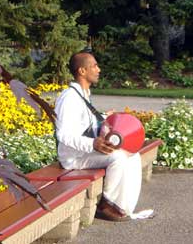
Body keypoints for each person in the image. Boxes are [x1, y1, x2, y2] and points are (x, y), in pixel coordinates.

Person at [54, 51, 150, 221]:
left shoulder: (82, 95)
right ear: (82, 71)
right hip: (74, 158)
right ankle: (107, 205)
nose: (99, 70)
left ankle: (123, 206)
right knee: (119, 157)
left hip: (85, 153)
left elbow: (87, 124)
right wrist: (93, 144)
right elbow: (64, 134)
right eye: (94, 66)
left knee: (132, 154)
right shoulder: (69, 98)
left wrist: (105, 118)